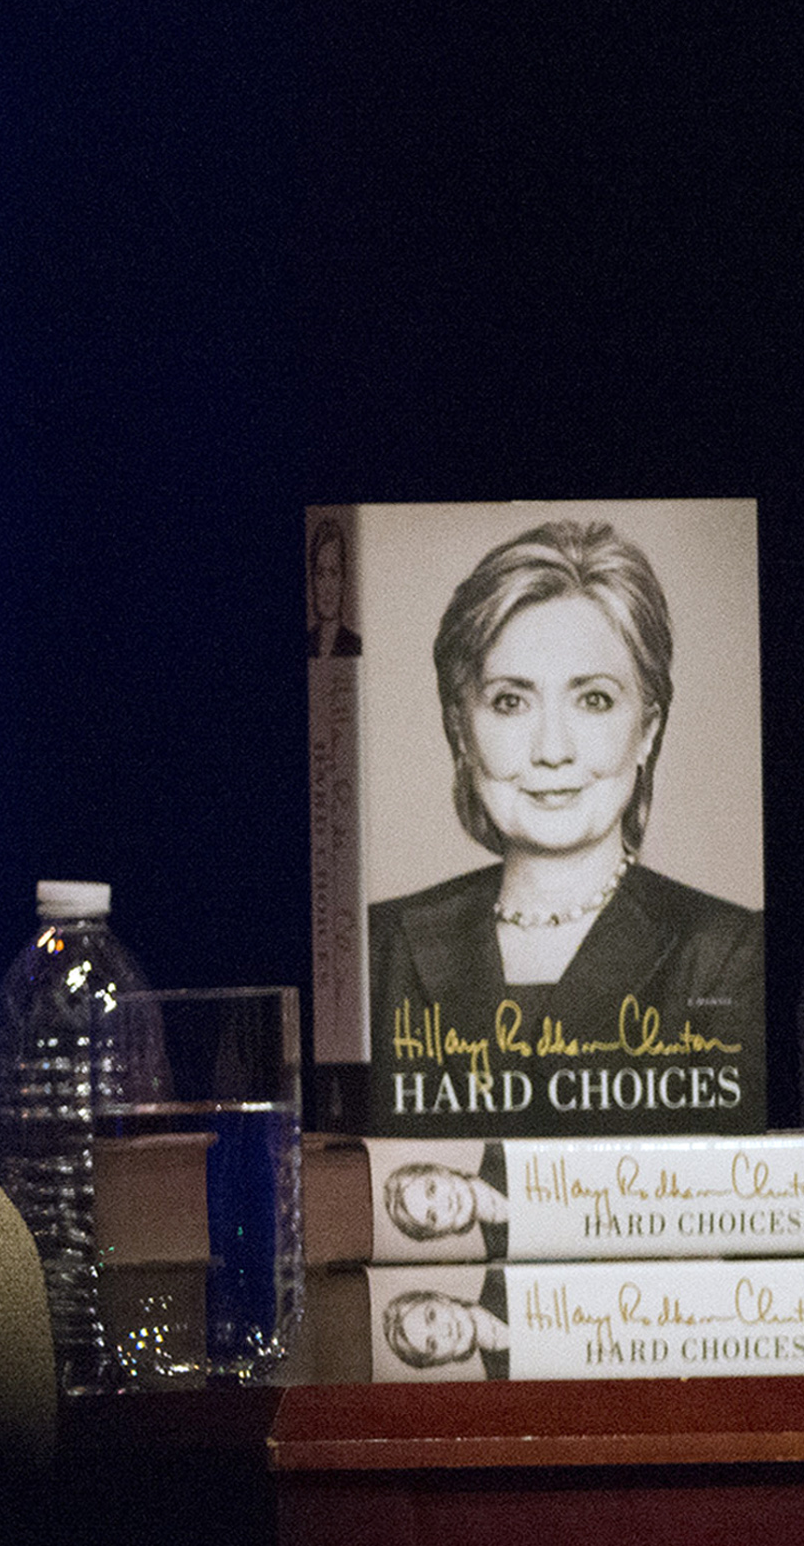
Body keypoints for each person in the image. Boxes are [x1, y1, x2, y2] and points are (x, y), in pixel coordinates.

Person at [366, 522, 762, 1134]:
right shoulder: (380, 944)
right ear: (461, 730)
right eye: (510, 701)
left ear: (649, 730)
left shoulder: (730, 953)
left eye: (594, 699)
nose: (553, 750)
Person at [381, 1152, 509, 1259]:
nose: (444, 1204)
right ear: (440, 1233)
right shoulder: (501, 1253)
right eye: (433, 1216)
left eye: (432, 1189)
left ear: (440, 1170)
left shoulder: (502, 1156)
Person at [381, 1279, 511, 1378]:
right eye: (432, 1344)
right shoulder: (502, 1376)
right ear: (440, 1359)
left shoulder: (504, 1280)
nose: (444, 1330)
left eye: (432, 1316)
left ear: (440, 1298)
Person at [307, 516, 360, 657]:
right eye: (320, 574)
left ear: (343, 579)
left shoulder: (355, 646)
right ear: (313, 581)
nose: (327, 587)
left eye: (333, 573)